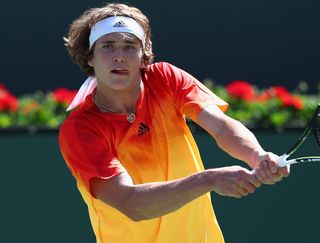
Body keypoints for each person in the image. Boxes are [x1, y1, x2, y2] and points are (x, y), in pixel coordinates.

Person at [59, 3, 290, 243]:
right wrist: (208, 179)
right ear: (90, 56)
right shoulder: (80, 129)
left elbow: (221, 126)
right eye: (108, 46)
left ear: (143, 54)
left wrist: (258, 156)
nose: (119, 56)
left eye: (130, 46)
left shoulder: (165, 79)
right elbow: (131, 203)